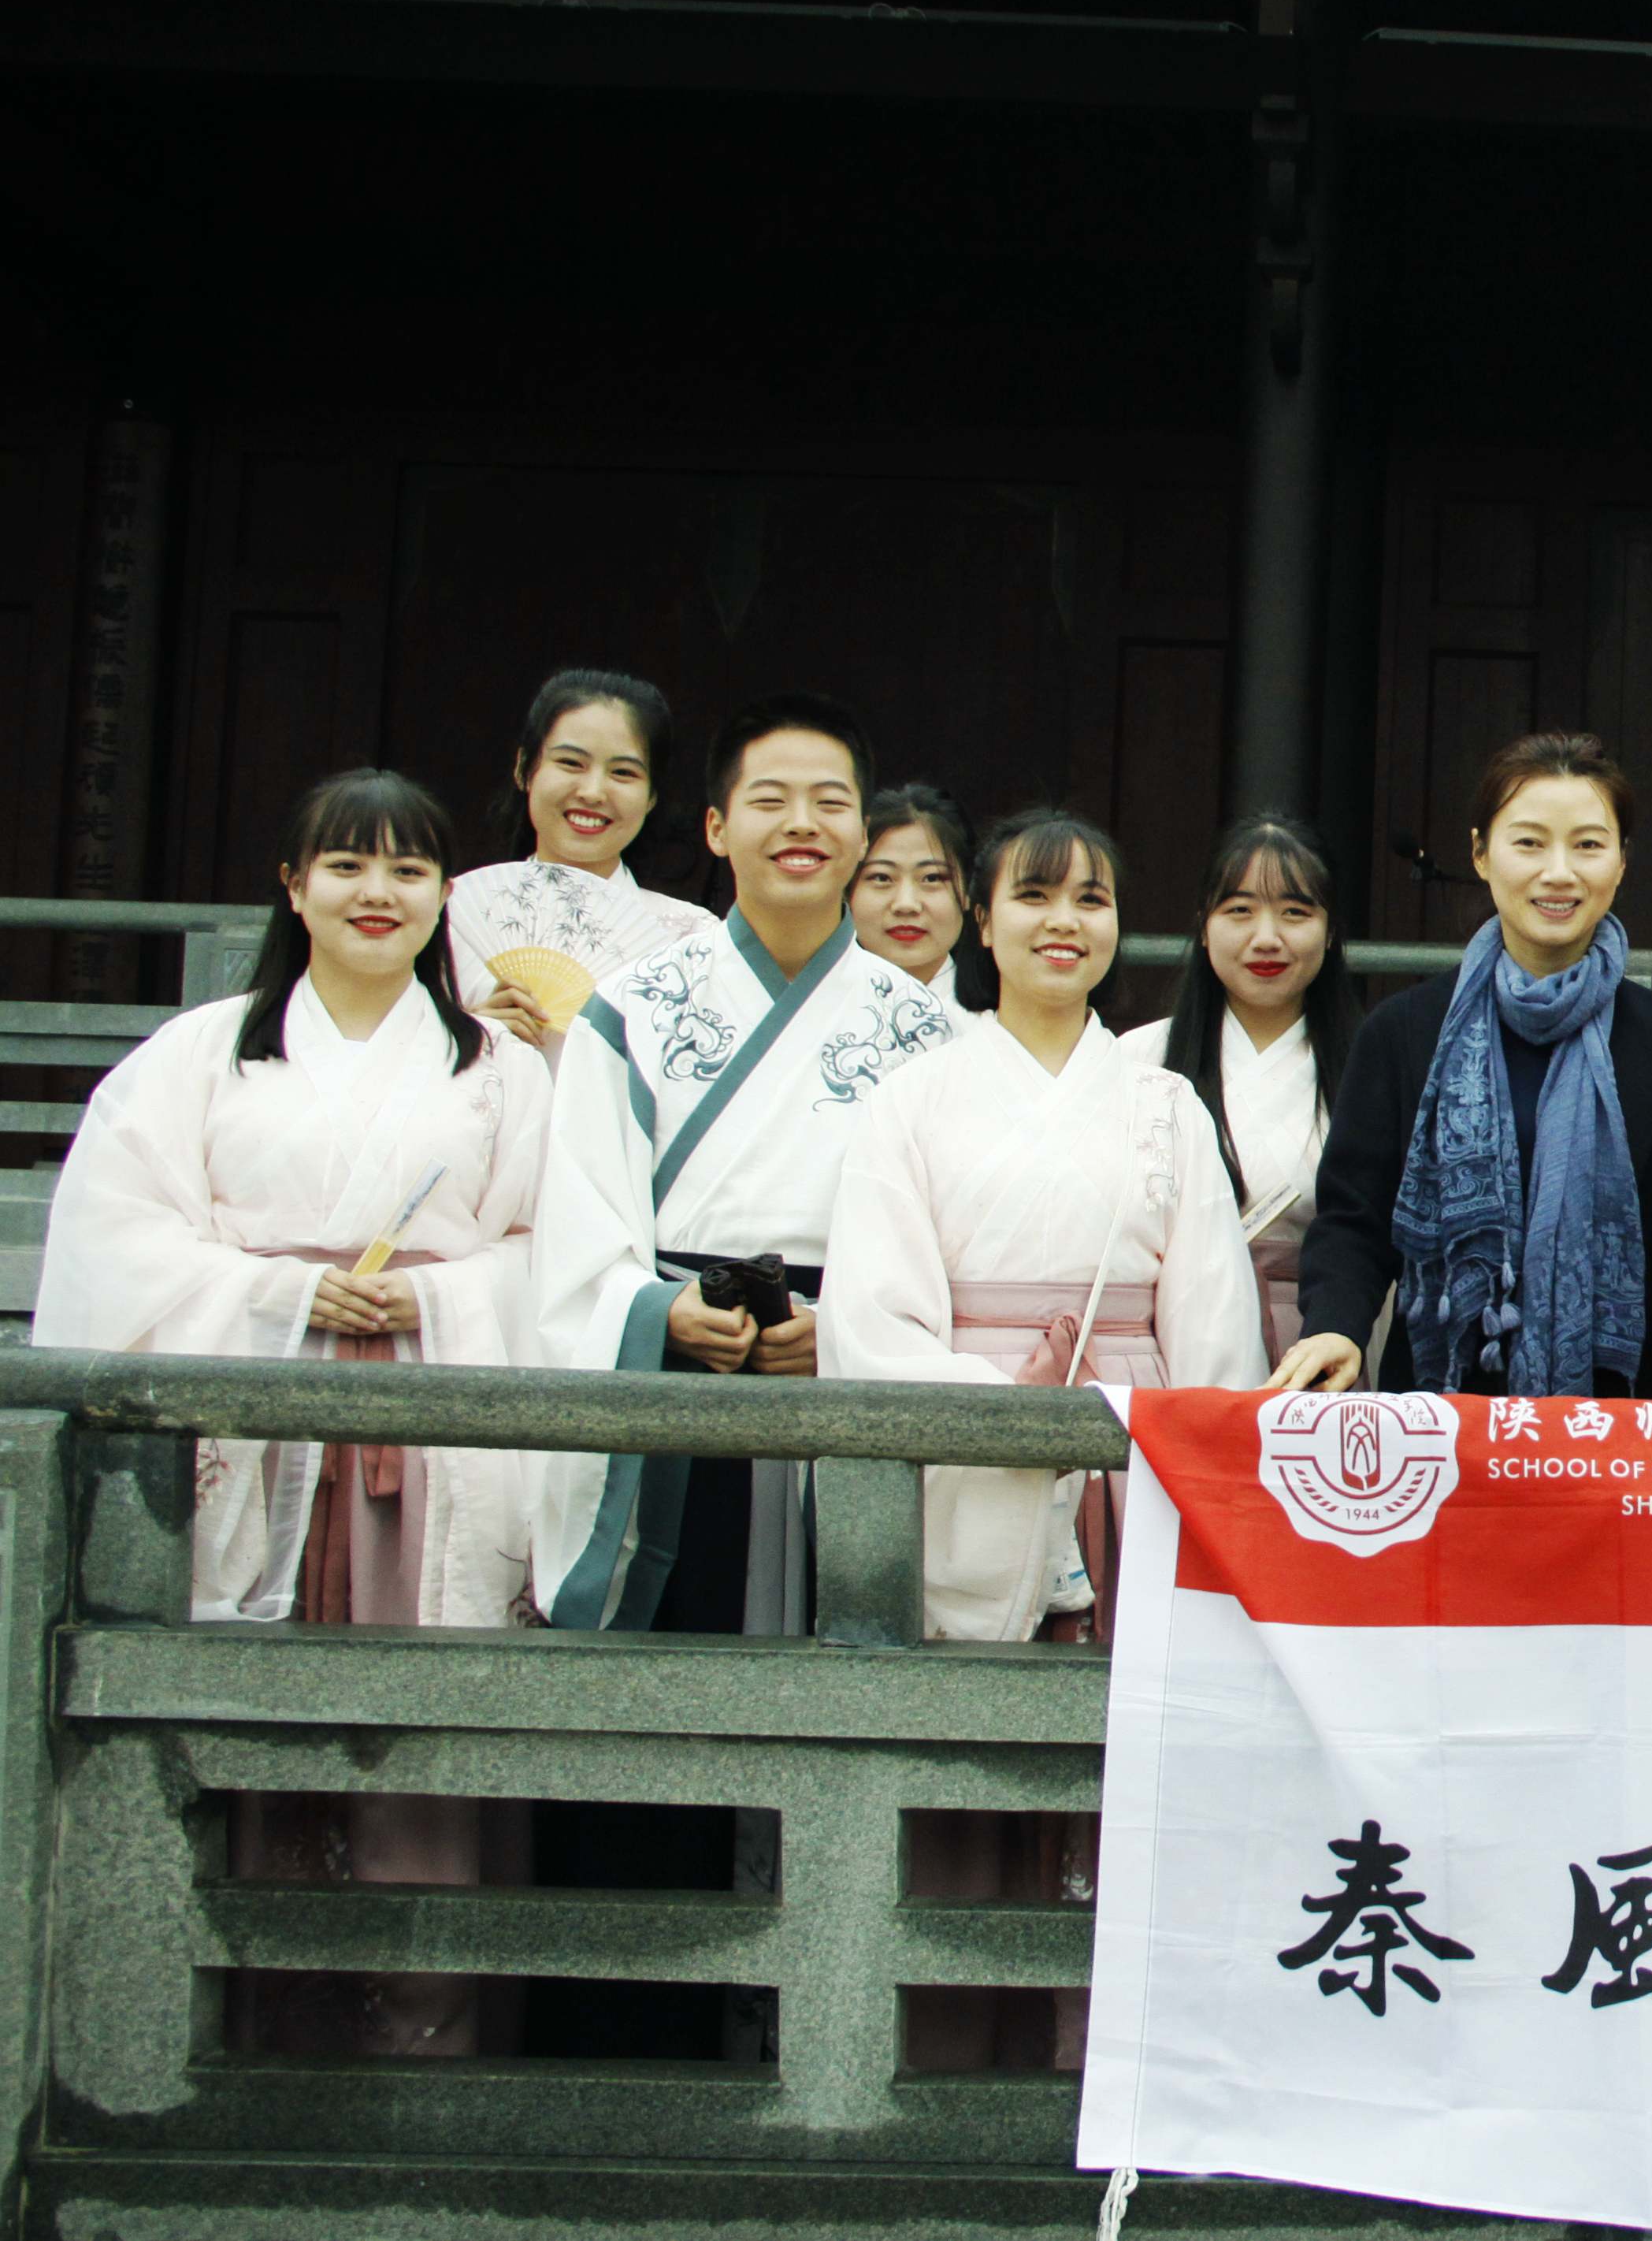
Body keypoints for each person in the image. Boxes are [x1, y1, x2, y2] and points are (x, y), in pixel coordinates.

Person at [35, 767, 551, 2054]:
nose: (379, 892)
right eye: (347, 864)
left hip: (431, 1430)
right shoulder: (197, 1055)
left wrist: (436, 1299)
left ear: (444, 894)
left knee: (418, 1738)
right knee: (243, 1733)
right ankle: (229, 2038)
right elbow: (116, 1232)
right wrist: (274, 1292)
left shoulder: (500, 1070)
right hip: (252, 1415)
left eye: (409, 869)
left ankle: (424, 2042)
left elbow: (554, 1251)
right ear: (292, 884)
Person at [821, 809, 1264, 2076]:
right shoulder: (911, 1098)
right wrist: (999, 1403)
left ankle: (1103, 2068)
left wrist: (1170, 1448)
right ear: (982, 917)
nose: (1063, 922)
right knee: (963, 1765)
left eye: (1092, 900)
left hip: (1132, 1461)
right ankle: (942, 2060)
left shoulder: (1163, 1104)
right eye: (1033, 895)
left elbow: (1213, 1329)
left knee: (1119, 1762)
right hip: (969, 1445)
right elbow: (870, 1320)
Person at [530, 692, 960, 1636]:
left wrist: (843, 1328)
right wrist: (661, 1312)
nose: (802, 823)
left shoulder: (934, 1033)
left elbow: (956, 1250)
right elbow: (577, 1233)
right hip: (677, 1371)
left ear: (861, 832)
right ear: (718, 828)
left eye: (829, 802)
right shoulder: (630, 1010)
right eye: (770, 800)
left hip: (845, 1374)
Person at [1281, 734, 1652, 1403]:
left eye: (1588, 845)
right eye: (1530, 843)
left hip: (1618, 1412)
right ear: (1481, 853)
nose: (1559, 873)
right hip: (1444, 1413)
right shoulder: (1402, 1032)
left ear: (1622, 861)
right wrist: (1335, 1326)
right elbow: (1353, 1220)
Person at [1126, 815, 1361, 1363]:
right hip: (1167, 1337)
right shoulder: (1138, 1059)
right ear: (1203, 926)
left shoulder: (1369, 1064)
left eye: (1295, 912)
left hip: (1319, 1337)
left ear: (1330, 931)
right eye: (1239, 910)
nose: (1266, 938)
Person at [451, 669, 713, 1054]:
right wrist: (466, 1034)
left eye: (623, 773)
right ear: (524, 769)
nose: (593, 792)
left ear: (652, 796)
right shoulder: (449, 921)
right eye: (571, 763)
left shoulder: (694, 940)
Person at [848, 782, 982, 1023]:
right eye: (882, 878)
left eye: (932, 878)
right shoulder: (813, 1015)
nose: (906, 905)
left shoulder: (1003, 1022)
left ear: (968, 891)